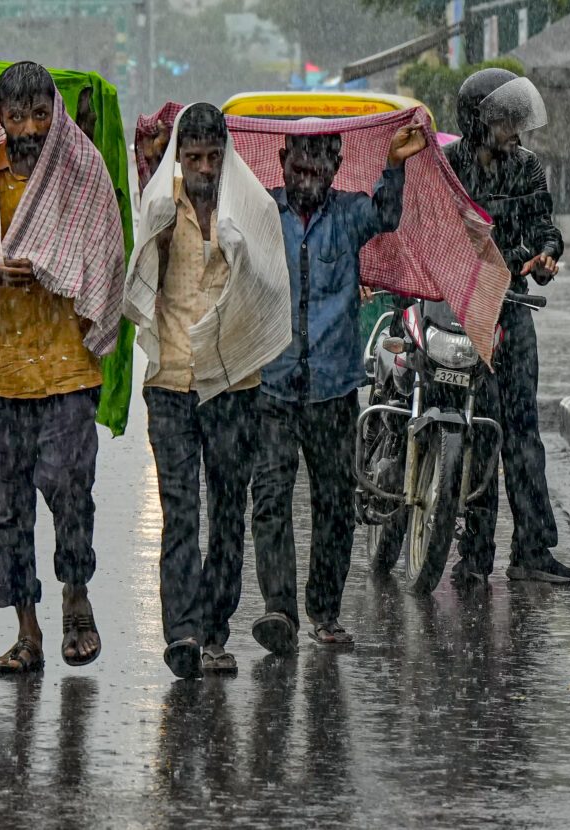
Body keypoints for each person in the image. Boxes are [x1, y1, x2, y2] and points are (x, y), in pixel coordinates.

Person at [0, 62, 126, 674]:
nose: (28, 128)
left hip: (65, 365)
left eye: (40, 114)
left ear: (56, 112)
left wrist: (49, 268)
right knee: (8, 507)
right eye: (17, 116)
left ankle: (76, 595)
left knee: (71, 490)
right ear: (0, 116)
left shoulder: (83, 171)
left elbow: (105, 250)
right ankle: (27, 630)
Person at [126, 103, 291, 678]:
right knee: (180, 512)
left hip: (233, 384)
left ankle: (215, 632)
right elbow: (141, 274)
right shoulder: (161, 208)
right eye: (192, 157)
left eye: (212, 157)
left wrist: (241, 253)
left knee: (226, 512)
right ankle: (183, 634)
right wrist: (160, 231)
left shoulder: (252, 209)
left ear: (226, 156)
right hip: (170, 381)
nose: (202, 168)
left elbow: (270, 285)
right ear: (180, 155)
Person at [249, 125, 427, 656]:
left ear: (335, 170)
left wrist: (394, 163)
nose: (306, 180)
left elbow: (387, 215)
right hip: (273, 386)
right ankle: (279, 610)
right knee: (270, 500)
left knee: (333, 504)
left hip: (332, 390)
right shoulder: (261, 212)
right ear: (281, 161)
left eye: (317, 171)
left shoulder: (350, 214)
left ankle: (324, 612)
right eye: (298, 169)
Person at [444, 68, 570, 586]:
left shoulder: (527, 167)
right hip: (462, 313)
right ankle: (474, 554)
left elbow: (545, 227)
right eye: (505, 123)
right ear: (477, 122)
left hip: (513, 308)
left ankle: (532, 551)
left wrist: (546, 255)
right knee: (476, 430)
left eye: (517, 123)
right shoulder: (448, 167)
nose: (514, 133)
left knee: (523, 433)